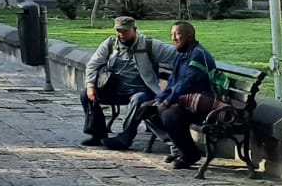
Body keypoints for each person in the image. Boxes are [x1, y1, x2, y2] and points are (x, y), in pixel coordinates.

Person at [80, 16, 176, 150]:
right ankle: (98, 134)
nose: (121, 34)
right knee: (85, 93)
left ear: (134, 30)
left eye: (125, 31)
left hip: (141, 91)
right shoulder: (110, 44)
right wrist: (90, 86)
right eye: (118, 30)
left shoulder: (149, 44)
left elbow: (176, 54)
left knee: (138, 100)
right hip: (114, 89)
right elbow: (92, 64)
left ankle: (125, 138)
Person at [153, 21, 218, 169]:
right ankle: (179, 148)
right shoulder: (182, 54)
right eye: (172, 34)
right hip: (184, 101)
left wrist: (167, 102)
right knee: (147, 109)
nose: (174, 38)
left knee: (169, 115)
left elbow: (187, 85)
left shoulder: (198, 55)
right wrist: (159, 100)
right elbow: (172, 82)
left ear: (190, 35)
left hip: (201, 104)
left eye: (178, 34)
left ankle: (190, 154)